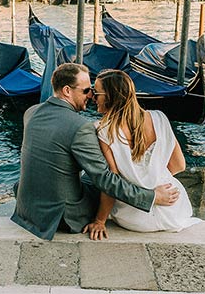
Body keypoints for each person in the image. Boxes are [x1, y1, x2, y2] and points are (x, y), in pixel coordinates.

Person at [11, 63, 180, 240]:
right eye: (86, 91)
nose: (91, 96)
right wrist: (151, 197)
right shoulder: (80, 127)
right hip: (62, 216)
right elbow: (105, 180)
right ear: (67, 91)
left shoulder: (30, 113)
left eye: (93, 91)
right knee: (108, 174)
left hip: (27, 207)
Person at [84, 70, 201, 240]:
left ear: (110, 96)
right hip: (174, 209)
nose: (93, 98)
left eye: (96, 93)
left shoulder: (103, 131)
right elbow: (179, 165)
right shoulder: (160, 118)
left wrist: (100, 221)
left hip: (135, 216)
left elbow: (111, 183)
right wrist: (152, 180)